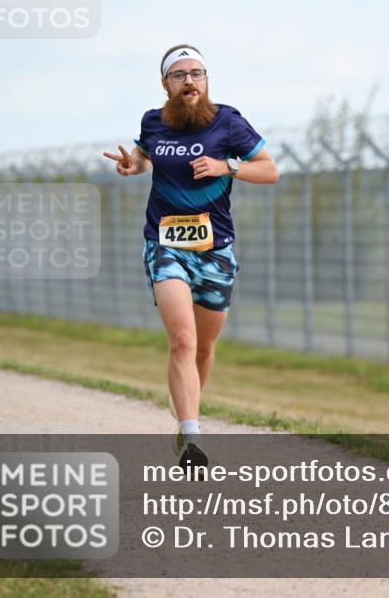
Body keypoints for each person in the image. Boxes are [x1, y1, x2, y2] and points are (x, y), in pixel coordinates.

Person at [103, 44, 279, 471]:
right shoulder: (154, 121)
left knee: (204, 347)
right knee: (182, 339)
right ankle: (192, 435)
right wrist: (134, 166)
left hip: (216, 250)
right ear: (166, 83)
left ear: (207, 80)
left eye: (197, 73)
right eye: (180, 75)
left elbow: (270, 171)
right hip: (164, 244)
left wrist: (227, 167)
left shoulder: (228, 122)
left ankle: (184, 410)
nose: (189, 81)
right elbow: (146, 156)